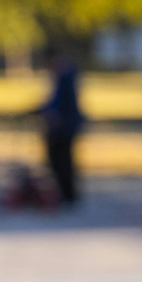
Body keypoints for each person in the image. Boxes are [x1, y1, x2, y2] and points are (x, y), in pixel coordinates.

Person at [38, 53, 85, 203]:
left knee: (61, 161)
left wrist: (45, 112)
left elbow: (58, 104)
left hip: (63, 128)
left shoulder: (65, 78)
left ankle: (67, 194)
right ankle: (65, 193)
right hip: (65, 127)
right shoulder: (67, 76)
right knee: (61, 161)